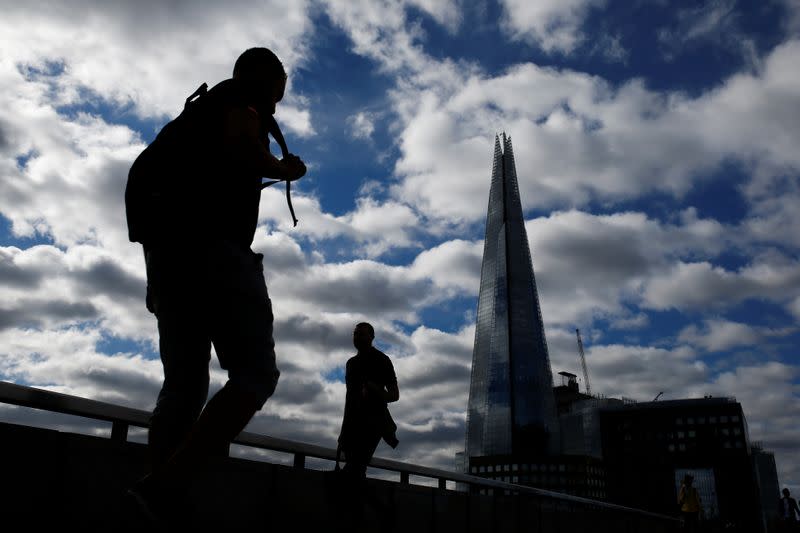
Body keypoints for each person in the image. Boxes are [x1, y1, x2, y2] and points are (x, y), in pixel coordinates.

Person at [125, 47, 306, 524]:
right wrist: (284, 168)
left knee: (183, 385)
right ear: (268, 80)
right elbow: (243, 146)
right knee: (255, 375)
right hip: (215, 252)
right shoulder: (243, 102)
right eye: (280, 88)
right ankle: (165, 488)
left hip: (166, 263)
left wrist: (156, 278)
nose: (278, 102)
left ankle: (155, 502)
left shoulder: (188, 121)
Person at [335, 322, 400, 530]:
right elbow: (349, 399)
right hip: (352, 425)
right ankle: (376, 514)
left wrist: (373, 388)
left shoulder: (382, 360)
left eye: (361, 334)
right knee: (354, 475)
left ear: (372, 337)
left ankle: (381, 513)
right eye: (355, 334)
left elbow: (394, 395)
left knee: (353, 472)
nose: (356, 337)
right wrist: (343, 432)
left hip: (372, 424)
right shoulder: (351, 363)